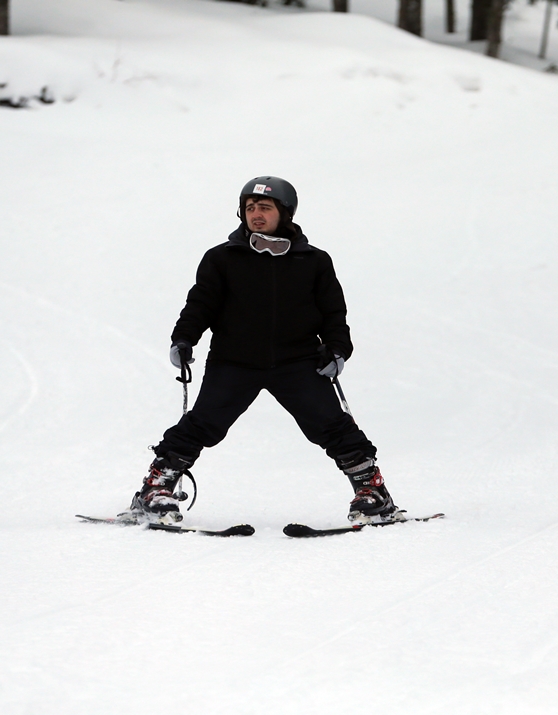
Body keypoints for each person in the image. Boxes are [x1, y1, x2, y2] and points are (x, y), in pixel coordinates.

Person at [117, 176, 401, 525]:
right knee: (203, 424)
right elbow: (200, 305)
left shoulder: (314, 261)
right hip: (234, 361)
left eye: (264, 208)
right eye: (249, 208)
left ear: (285, 213)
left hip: (297, 361)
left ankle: (373, 494)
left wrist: (338, 349)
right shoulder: (222, 258)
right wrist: (183, 339)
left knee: (332, 425)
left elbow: (333, 314)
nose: (256, 214)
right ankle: (154, 491)